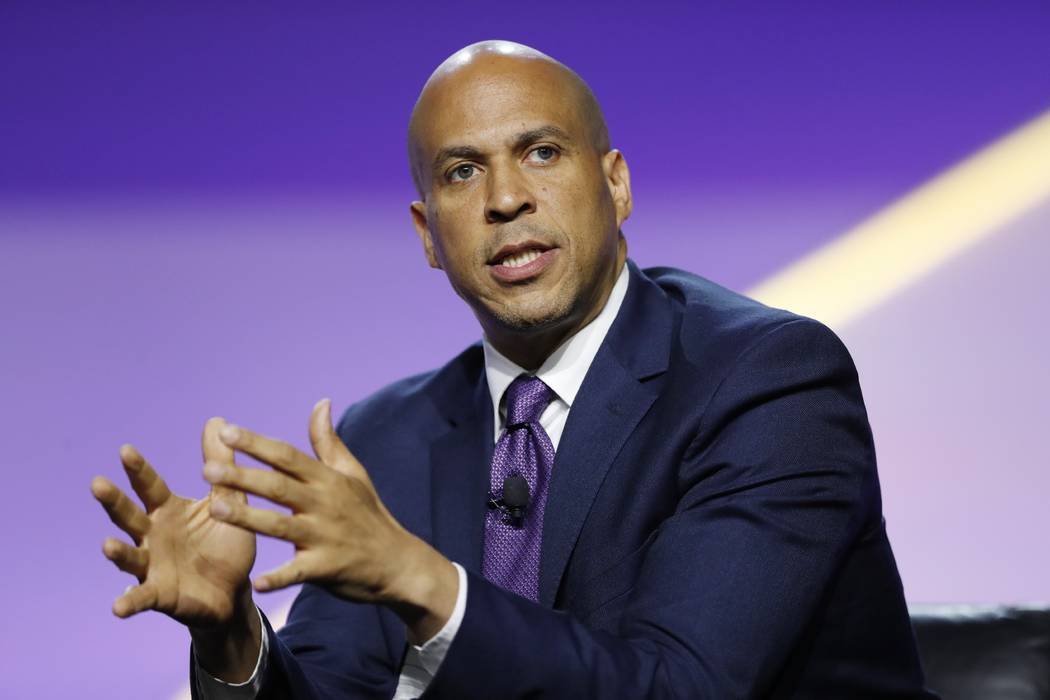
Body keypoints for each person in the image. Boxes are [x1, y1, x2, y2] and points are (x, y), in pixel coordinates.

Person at [92, 40, 938, 699]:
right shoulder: (386, 439)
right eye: (464, 172)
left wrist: (422, 580)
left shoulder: (764, 381)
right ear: (428, 234)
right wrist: (232, 635)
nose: (505, 198)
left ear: (616, 184)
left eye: (540, 153)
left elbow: (686, 689)